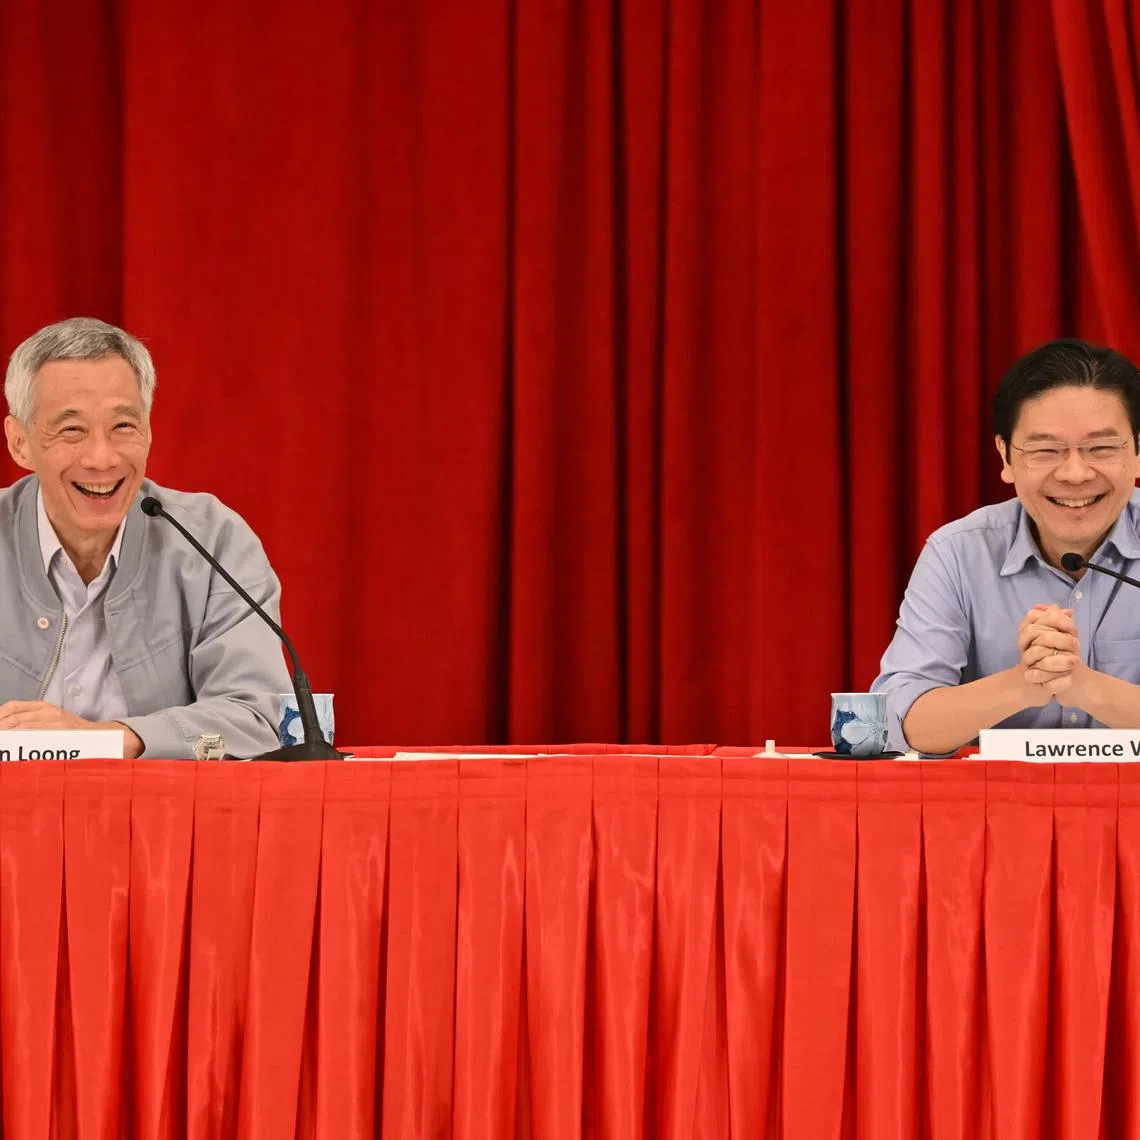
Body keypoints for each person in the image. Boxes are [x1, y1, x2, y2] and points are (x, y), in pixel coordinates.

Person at [0, 316, 290, 758]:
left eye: (123, 427)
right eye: (72, 430)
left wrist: (110, 739)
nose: (102, 458)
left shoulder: (212, 541)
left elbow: (257, 717)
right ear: (20, 443)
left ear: (149, 430)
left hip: (165, 822)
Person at [873, 338, 1140, 754]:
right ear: (1005, 457)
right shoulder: (958, 554)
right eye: (1045, 450)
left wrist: (1085, 688)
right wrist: (1023, 684)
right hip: (996, 813)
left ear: (1138, 451)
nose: (1074, 473)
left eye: (1101, 448)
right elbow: (901, 722)